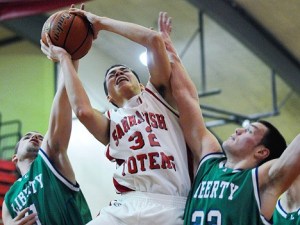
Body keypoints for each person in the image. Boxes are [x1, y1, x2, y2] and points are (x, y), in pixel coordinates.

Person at [41, 6, 193, 225]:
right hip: (128, 203)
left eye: (124, 71)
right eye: (112, 76)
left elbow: (153, 40)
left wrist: (100, 22)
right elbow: (82, 110)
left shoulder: (159, 95)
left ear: (141, 84)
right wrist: (66, 58)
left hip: (170, 203)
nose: (119, 73)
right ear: (109, 99)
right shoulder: (111, 121)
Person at [163, 17, 300, 224]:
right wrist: (170, 52)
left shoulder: (262, 182)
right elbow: (187, 99)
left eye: (250, 131)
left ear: (262, 152)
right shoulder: (209, 161)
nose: (238, 130)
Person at [2, 60, 92, 225]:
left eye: (40, 136)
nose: (34, 136)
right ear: (15, 158)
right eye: (27, 136)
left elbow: (63, 96)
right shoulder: (9, 198)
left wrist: (68, 59)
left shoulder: (51, 160)